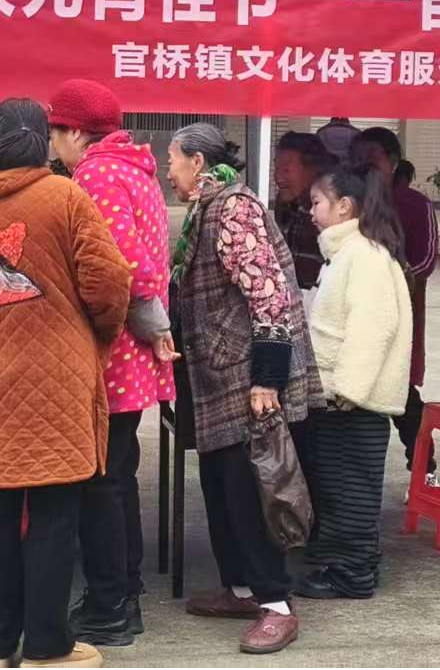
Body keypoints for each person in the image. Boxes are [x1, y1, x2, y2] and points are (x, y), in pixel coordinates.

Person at [0, 98, 130, 670]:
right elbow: (109, 284)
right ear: (43, 141)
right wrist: (94, 333)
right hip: (60, 380)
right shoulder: (67, 198)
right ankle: (46, 647)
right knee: (55, 515)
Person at [166, 124, 320, 657]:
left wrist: (267, 380)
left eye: (173, 160)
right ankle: (241, 590)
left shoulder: (235, 209)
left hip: (245, 375)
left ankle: (276, 604)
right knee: (219, 485)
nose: (168, 171)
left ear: (198, 163)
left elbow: (268, 296)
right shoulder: (207, 208)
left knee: (249, 492)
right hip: (217, 372)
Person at [47, 80, 176, 648]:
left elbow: (123, 264)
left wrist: (142, 317)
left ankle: (109, 605)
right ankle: (124, 593)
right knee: (117, 475)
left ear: (76, 132)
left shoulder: (96, 174)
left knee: (100, 483)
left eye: (55, 132)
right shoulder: (134, 167)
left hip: (112, 349)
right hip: (134, 350)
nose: (53, 144)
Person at [295, 162, 412, 602]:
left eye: (317, 202)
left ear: (344, 206)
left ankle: (352, 574)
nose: (310, 211)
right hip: (338, 397)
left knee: (351, 491)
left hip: (352, 400)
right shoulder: (345, 254)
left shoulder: (364, 256)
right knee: (338, 486)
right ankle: (347, 564)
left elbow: (372, 328)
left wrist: (347, 391)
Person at [351, 127, 438, 472]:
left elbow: (426, 260)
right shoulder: (350, 200)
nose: (364, 165)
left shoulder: (415, 204)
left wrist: (392, 281)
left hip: (402, 314)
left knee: (402, 392)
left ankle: (424, 467)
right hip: (358, 315)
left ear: (393, 162)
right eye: (359, 158)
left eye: (372, 157)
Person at [272, 133, 334, 294]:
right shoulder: (284, 203)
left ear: (313, 170)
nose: (278, 177)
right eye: (276, 168)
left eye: (286, 170)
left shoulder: (332, 213)